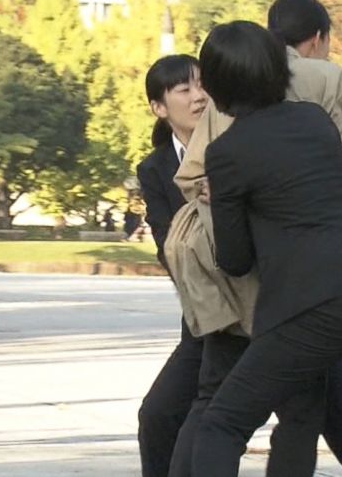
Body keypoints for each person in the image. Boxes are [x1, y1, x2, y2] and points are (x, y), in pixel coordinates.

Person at [189, 20, 342, 477]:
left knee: (221, 424)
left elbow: (236, 259)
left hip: (313, 304)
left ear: (215, 84)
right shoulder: (314, 120)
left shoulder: (227, 153)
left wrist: (225, 201)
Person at [171, 0, 342, 476]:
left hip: (245, 278)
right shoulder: (321, 89)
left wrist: (222, 194)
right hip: (314, 279)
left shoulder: (222, 131)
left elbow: (195, 180)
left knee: (216, 404)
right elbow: (340, 166)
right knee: (307, 410)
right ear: (316, 39)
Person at [135, 55, 208, 477]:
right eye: (184, 89)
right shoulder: (155, 168)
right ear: (159, 108)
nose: (198, 96)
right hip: (204, 320)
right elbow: (169, 247)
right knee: (158, 418)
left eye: (202, 85)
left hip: (268, 311)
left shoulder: (235, 146)